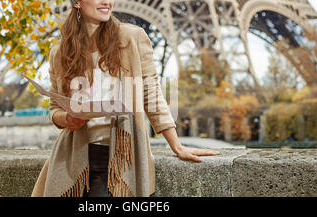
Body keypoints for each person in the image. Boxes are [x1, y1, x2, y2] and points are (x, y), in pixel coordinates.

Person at [31, 0, 220, 197]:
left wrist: (176, 145)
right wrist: (67, 119)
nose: (107, 2)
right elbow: (54, 108)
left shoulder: (132, 37)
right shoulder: (59, 52)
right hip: (76, 156)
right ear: (77, 2)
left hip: (123, 154)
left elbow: (150, 92)